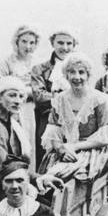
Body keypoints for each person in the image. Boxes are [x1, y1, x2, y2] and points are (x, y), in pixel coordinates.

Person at [40, 51, 108, 216]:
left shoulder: (100, 100)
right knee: (47, 176)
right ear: (66, 75)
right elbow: (53, 131)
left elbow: (105, 136)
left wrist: (75, 147)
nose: (77, 77)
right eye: (72, 72)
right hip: (65, 148)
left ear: (88, 75)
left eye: (81, 72)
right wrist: (60, 148)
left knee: (73, 176)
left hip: (91, 149)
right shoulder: (59, 99)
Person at [0, 26, 41, 169]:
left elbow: (40, 89)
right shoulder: (7, 62)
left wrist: (28, 92)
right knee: (14, 140)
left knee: (29, 141)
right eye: (24, 41)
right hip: (12, 108)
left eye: (32, 43)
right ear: (16, 42)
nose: (28, 46)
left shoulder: (37, 64)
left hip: (30, 109)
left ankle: (29, 175)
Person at [31, 30, 78, 166]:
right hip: (48, 119)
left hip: (74, 120)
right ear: (52, 43)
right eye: (60, 43)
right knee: (46, 156)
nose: (65, 47)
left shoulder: (80, 69)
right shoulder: (39, 69)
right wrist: (65, 97)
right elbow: (39, 96)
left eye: (69, 43)